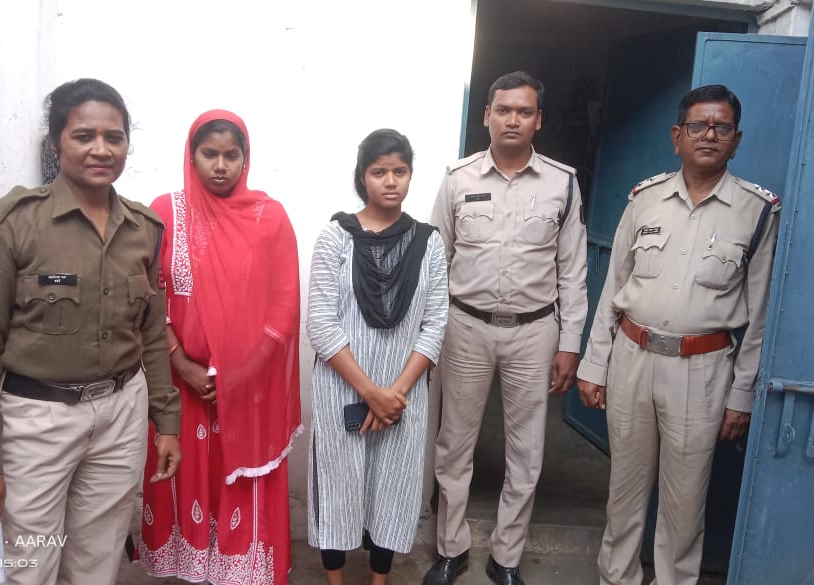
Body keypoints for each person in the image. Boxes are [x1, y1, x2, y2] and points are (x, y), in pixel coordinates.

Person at [0, 78, 182, 585]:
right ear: (56, 144)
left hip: (121, 416)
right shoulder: (10, 224)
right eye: (84, 136)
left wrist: (166, 421)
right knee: (29, 566)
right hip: (38, 421)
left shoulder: (144, 230)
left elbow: (151, 335)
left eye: (114, 137)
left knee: (97, 563)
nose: (101, 149)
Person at [576, 84, 780, 585]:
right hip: (632, 357)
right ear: (677, 136)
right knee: (623, 493)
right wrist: (594, 364)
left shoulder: (756, 211)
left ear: (736, 140)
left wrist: (741, 395)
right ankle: (616, 578)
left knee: (684, 503)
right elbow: (613, 288)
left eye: (722, 127)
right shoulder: (645, 199)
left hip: (702, 371)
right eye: (697, 126)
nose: (709, 135)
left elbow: (759, 316)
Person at [424, 71, 588, 585]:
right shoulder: (458, 179)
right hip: (465, 327)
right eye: (503, 110)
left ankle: (506, 556)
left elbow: (573, 271)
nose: (512, 119)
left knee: (526, 450)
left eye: (523, 111)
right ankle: (450, 549)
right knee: (454, 444)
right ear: (486, 116)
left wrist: (570, 344)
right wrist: (431, 333)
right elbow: (435, 261)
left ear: (539, 120)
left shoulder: (562, 183)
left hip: (534, 332)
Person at [137, 110, 302, 585]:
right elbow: (151, 296)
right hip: (181, 385)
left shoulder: (268, 217)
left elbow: (284, 306)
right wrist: (180, 361)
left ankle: (241, 571)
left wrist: (239, 372)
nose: (221, 165)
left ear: (246, 159)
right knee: (186, 475)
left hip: (248, 389)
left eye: (232, 155)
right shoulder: (165, 213)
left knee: (241, 484)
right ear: (191, 157)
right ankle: (192, 569)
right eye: (209, 154)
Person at [306, 129, 449, 585]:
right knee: (338, 485)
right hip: (343, 387)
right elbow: (320, 324)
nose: (390, 181)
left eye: (399, 171)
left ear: (410, 175)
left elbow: (435, 324)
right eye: (379, 171)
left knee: (392, 488)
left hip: (403, 394)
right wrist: (371, 393)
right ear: (362, 176)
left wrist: (394, 394)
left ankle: (379, 580)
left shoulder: (429, 243)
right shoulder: (335, 238)